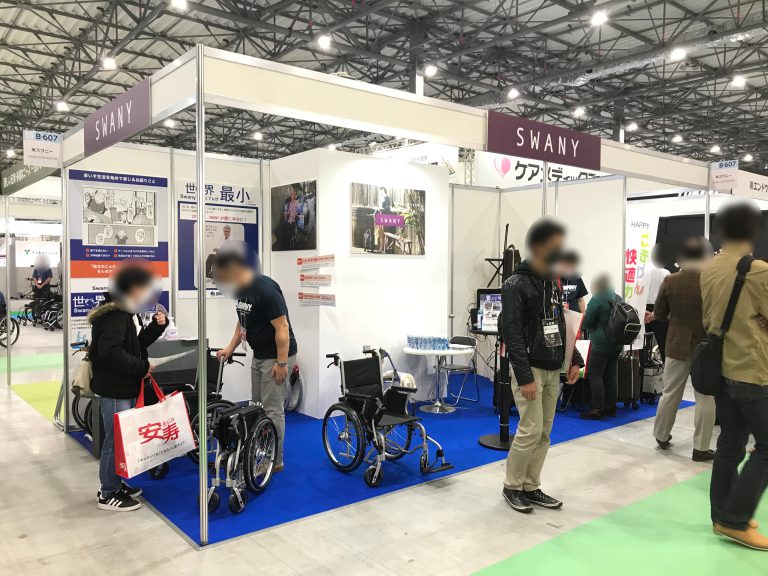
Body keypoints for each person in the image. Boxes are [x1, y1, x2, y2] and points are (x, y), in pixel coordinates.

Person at [501, 218, 582, 514]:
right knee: (530, 429)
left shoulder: (552, 281)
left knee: (545, 431)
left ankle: (530, 485)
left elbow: (561, 324)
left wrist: (574, 359)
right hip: (531, 369)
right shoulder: (515, 284)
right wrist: (525, 378)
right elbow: (512, 334)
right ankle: (512, 486)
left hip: (553, 367)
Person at [701, 199, 768, 550]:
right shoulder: (757, 270)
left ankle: (722, 515)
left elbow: (710, 318)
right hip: (751, 369)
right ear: (753, 230)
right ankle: (735, 519)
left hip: (721, 369)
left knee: (730, 442)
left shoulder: (711, 267)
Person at [88, 262, 167, 512]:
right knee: (114, 441)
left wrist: (158, 326)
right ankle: (108, 493)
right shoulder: (116, 314)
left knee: (120, 441)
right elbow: (110, 353)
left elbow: (136, 345)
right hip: (115, 389)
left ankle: (114, 484)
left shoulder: (125, 312)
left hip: (123, 386)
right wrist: (141, 367)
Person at [214, 251, 297, 472]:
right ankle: (260, 450)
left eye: (223, 276)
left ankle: (274, 461)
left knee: (273, 409)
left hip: (276, 356)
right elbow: (243, 320)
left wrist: (281, 363)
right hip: (259, 354)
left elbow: (282, 327)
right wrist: (230, 348)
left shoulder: (265, 289)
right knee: (257, 407)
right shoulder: (240, 290)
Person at [652, 237, 716, 462]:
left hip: (676, 344)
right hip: (706, 346)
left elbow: (659, 314)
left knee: (670, 393)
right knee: (706, 397)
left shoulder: (670, 280)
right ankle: (701, 448)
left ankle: (661, 435)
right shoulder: (712, 280)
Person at [580, 273, 623, 420]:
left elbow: (586, 322)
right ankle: (611, 406)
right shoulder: (617, 297)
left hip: (600, 344)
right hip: (616, 343)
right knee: (611, 374)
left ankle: (597, 409)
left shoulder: (597, 298)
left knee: (595, 374)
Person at [644, 244, 670, 360]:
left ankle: (643, 364)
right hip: (659, 308)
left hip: (644, 308)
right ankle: (665, 365)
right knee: (663, 341)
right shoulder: (665, 273)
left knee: (644, 341)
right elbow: (668, 293)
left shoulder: (643, 272)